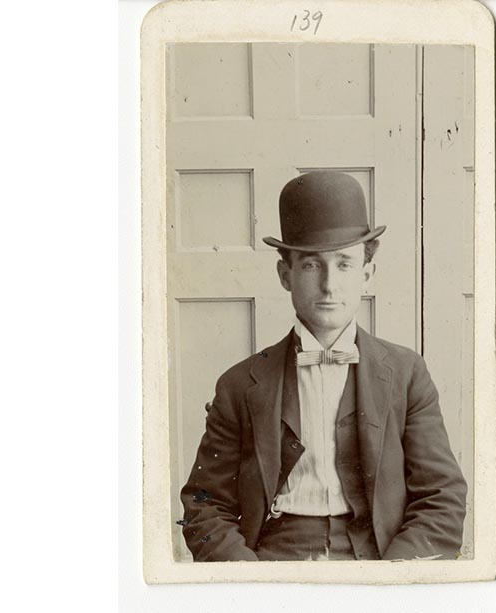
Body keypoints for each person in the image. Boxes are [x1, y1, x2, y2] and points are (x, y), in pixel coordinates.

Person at [180, 171, 467, 561]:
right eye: (313, 266)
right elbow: (204, 502)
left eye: (345, 265)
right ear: (286, 275)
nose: (330, 285)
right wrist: (250, 583)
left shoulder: (406, 373)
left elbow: (442, 496)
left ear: (367, 274)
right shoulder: (239, 384)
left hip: (378, 559)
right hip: (272, 560)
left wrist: (395, 582)